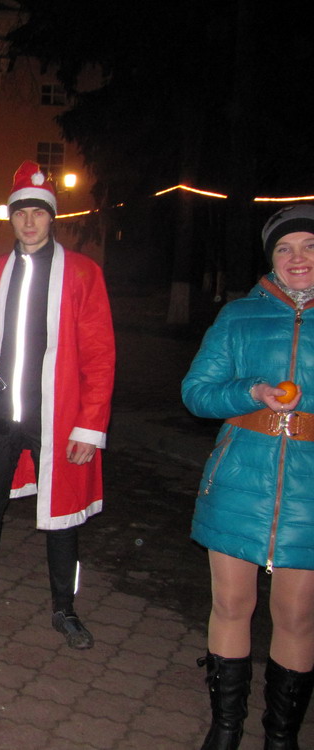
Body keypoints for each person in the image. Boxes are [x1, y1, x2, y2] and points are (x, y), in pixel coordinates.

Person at [0, 161, 115, 650]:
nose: (29, 222)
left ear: (51, 217)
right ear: (10, 218)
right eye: (20, 213)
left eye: (38, 212)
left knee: (63, 513)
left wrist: (90, 426)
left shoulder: (82, 273)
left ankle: (65, 607)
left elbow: (100, 355)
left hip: (57, 414)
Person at [182, 204, 314, 750]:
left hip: (308, 490)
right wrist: (252, 392)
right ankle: (226, 729)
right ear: (271, 258)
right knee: (232, 605)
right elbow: (197, 392)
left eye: (309, 246)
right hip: (239, 478)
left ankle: (281, 737)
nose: (297, 257)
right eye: (285, 248)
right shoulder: (238, 316)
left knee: (297, 616)